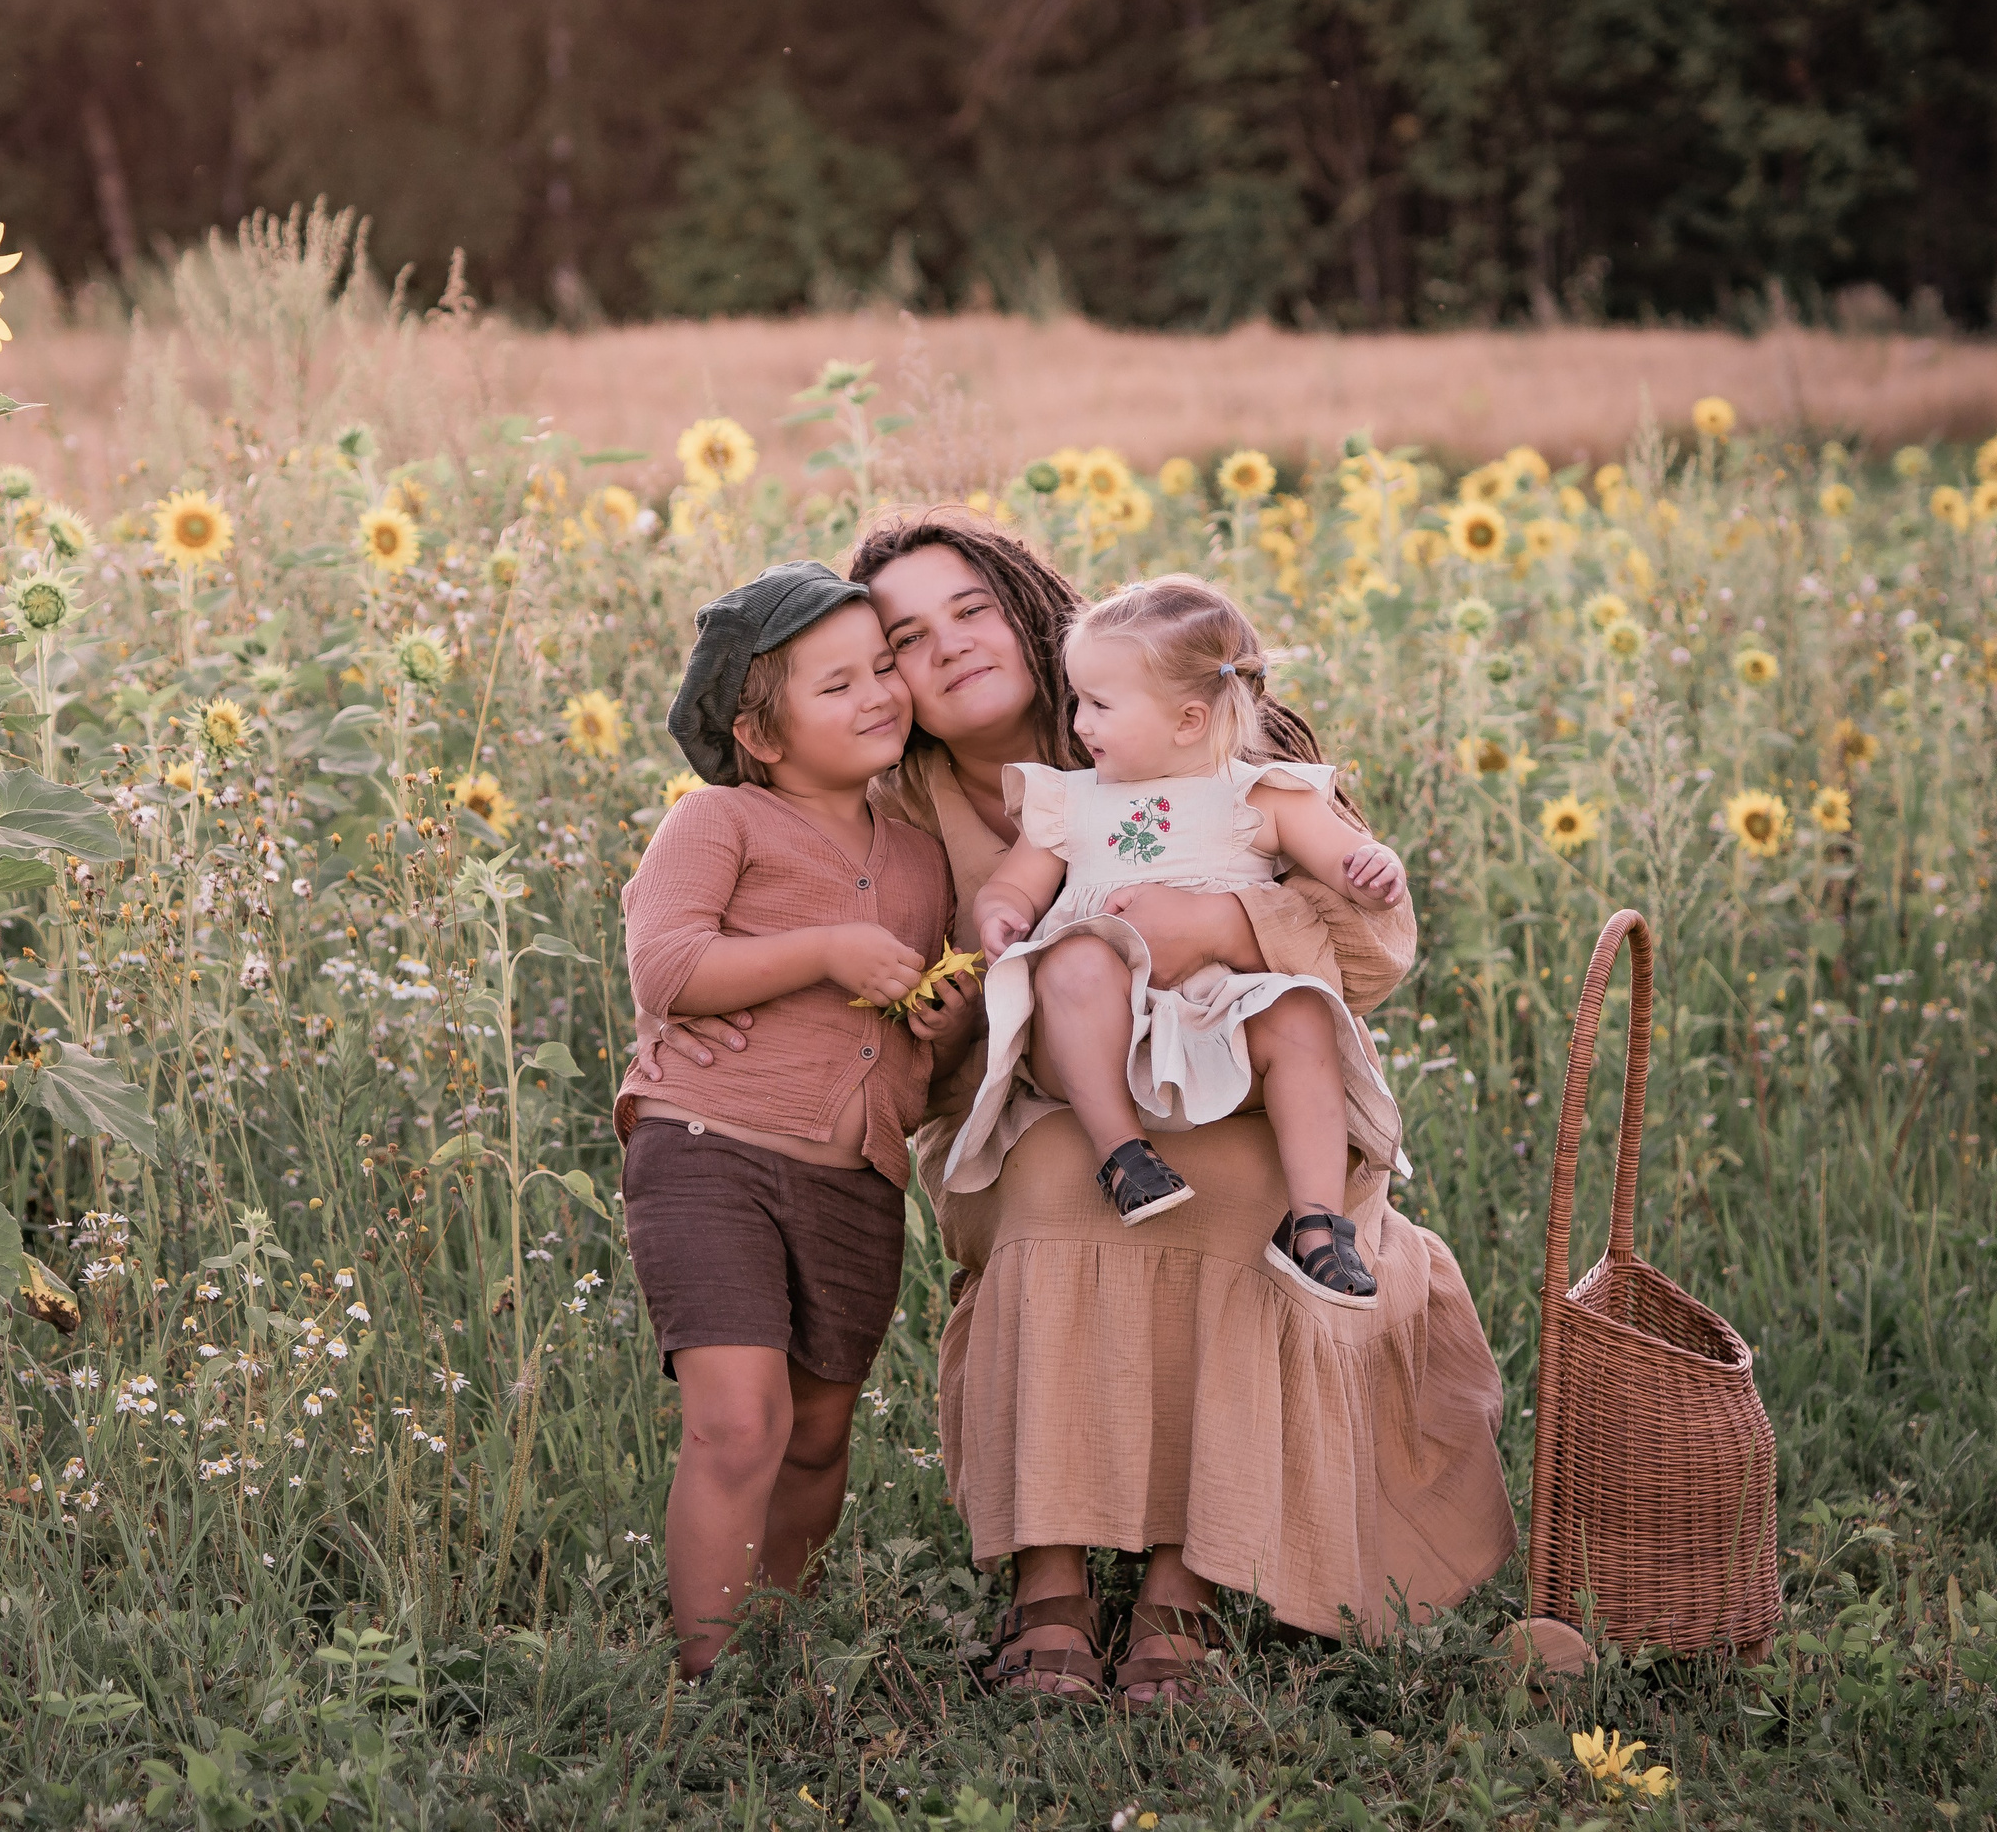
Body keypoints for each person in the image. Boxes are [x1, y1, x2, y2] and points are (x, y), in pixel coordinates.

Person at [636, 512, 1513, 1710]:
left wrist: (1219, 926)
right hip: (1041, 1112)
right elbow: (914, 1040)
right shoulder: (894, 814)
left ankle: (1182, 1583)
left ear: (1023, 608)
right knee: (1054, 1180)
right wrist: (777, 1024)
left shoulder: (1162, 699)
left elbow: (1374, 940)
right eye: (903, 637)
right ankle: (1047, 1578)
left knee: (1247, 1184)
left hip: (1242, 1079)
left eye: (970, 611)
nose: (943, 649)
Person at [616, 559, 977, 1679]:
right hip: (708, 1150)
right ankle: (706, 1676)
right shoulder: (719, 820)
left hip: (854, 1179)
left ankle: (777, 1643)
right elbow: (665, 964)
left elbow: (918, 1051)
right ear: (759, 734)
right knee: (740, 1421)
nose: (878, 693)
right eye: (837, 685)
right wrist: (821, 951)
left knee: (819, 1433)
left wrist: (944, 1018)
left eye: (883, 669)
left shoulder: (919, 857)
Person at [948, 575, 1407, 1299]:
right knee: (1072, 963)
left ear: (1189, 720)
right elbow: (1017, 880)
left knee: (1302, 1014)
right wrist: (1002, 911)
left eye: (1099, 705)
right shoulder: (1071, 801)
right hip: (1106, 1026)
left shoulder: (1262, 794)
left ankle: (1318, 1223)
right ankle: (1123, 1154)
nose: (1080, 725)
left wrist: (1375, 867)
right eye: (1078, 702)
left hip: (1226, 1019)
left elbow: (1345, 867)